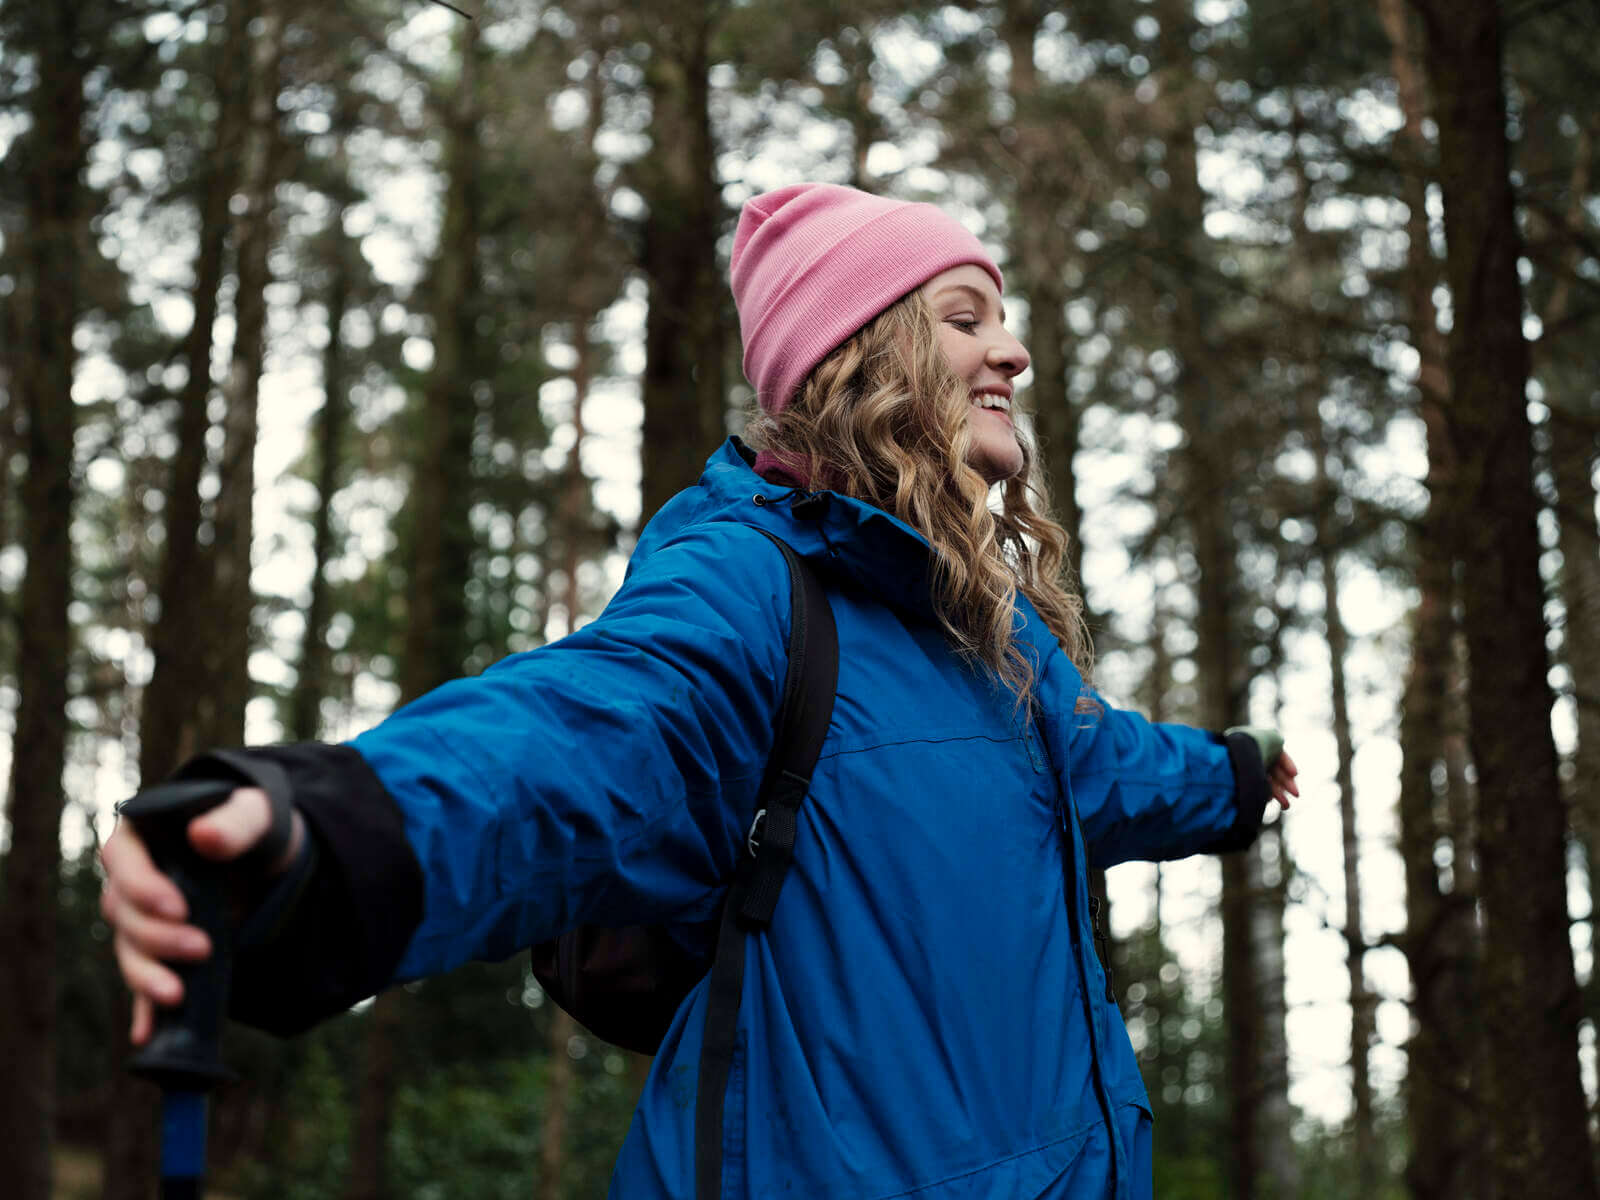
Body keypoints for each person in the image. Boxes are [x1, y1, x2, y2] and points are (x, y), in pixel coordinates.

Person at [102, 181, 1299, 1199]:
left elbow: (1110, 764)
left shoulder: (1002, 639)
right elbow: (589, 738)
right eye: (963, 316)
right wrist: (329, 831)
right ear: (859, 353)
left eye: (1006, 318)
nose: (1012, 350)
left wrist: (1235, 775)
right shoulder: (752, 580)